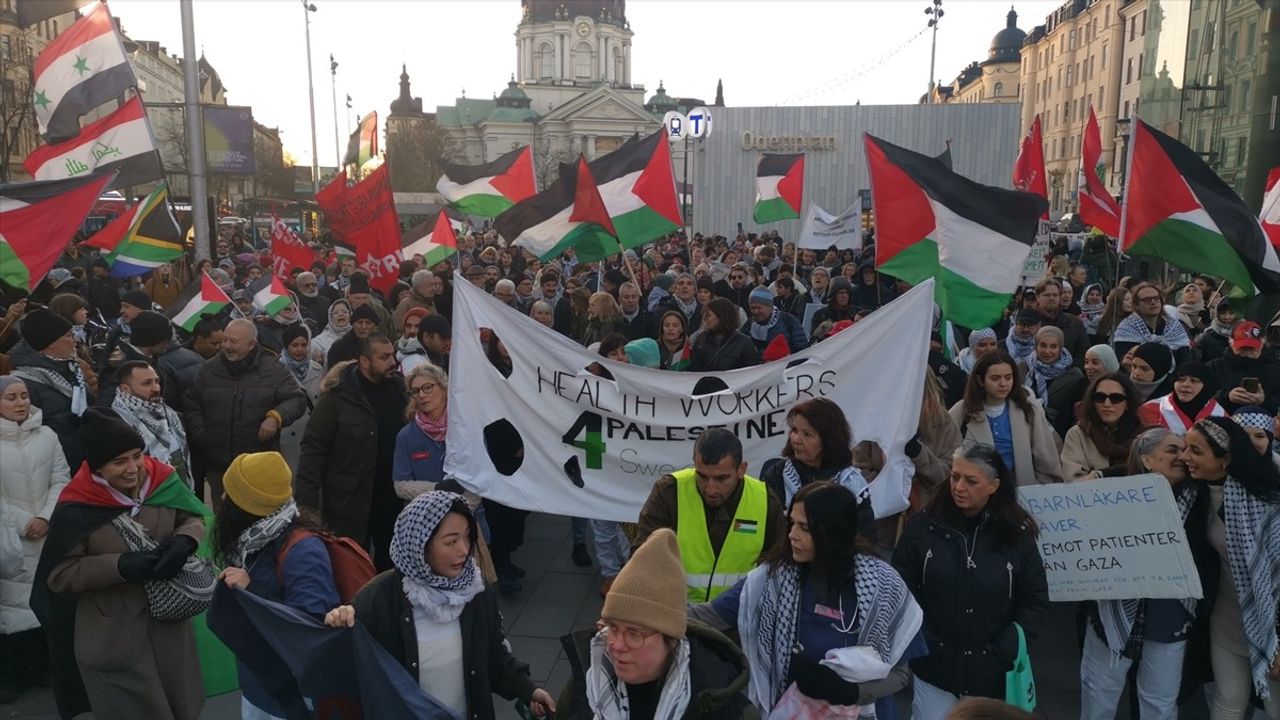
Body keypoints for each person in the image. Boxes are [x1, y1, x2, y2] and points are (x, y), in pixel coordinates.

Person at [688, 481, 924, 718]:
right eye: (791, 523)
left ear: (834, 532)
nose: (792, 535)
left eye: (805, 528)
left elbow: (901, 674)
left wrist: (852, 693)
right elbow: (705, 618)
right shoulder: (770, 581)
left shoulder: (883, 586)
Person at [34, 408, 208, 720]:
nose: (134, 469)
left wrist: (186, 541)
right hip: (113, 634)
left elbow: (192, 517)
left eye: (137, 455)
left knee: (181, 705)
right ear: (98, 467)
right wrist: (120, 566)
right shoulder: (77, 505)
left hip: (169, 626)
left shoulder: (163, 481)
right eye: (119, 462)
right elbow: (59, 575)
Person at [323, 492, 557, 719]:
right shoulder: (378, 599)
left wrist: (529, 690)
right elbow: (342, 668)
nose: (464, 550)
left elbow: (493, 656)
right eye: (451, 541)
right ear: (420, 544)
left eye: (467, 536)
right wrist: (338, 623)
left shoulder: (475, 591)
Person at [892, 442, 1049, 716]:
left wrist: (1008, 645)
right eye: (955, 476)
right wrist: (923, 641)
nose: (959, 487)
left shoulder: (1017, 534)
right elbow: (901, 587)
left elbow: (1034, 597)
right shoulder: (924, 525)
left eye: (971, 480)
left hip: (992, 672)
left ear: (994, 485)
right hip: (935, 668)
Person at [1078, 427, 1215, 720]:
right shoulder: (1113, 496)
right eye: (1173, 450)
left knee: (1160, 699)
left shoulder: (1199, 495)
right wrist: (1100, 476)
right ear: (1148, 459)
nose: (1183, 457)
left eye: (1187, 450)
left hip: (1171, 612)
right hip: (1114, 609)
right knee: (1100, 690)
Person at [556, 528, 751, 720]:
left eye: (634, 634)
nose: (615, 645)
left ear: (672, 639)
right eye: (612, 628)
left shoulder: (721, 707)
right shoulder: (587, 683)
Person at [209, 451, 340, 720]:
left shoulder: (304, 550)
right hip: (260, 685)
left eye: (229, 494)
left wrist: (253, 591)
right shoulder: (253, 540)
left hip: (290, 698)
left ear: (247, 506)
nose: (222, 499)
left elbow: (310, 626)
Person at [1180, 417, 1280, 717]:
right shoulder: (1194, 494)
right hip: (1225, 620)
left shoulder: (1268, 504)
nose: (1185, 458)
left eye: (1196, 451)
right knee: (1228, 700)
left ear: (1225, 459)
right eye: (1185, 448)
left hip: (1271, 626)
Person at [634, 428, 786, 602]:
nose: (710, 489)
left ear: (741, 469)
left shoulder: (765, 501)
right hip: (676, 614)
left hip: (736, 618)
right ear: (694, 463)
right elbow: (642, 559)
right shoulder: (669, 492)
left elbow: (777, 568)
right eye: (702, 476)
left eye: (721, 479)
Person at [296, 335, 407, 572]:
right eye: (384, 357)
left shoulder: (401, 389)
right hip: (349, 502)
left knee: (391, 567)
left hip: (393, 499)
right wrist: (307, 505)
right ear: (364, 361)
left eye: (393, 355)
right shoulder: (337, 398)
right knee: (350, 567)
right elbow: (313, 449)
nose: (393, 362)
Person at [184, 318, 308, 509]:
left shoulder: (273, 369)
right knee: (223, 519)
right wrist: (203, 434)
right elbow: (192, 404)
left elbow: (297, 399)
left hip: (258, 464)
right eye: (224, 340)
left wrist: (276, 417)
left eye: (233, 342)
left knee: (259, 516)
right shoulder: (208, 370)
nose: (226, 346)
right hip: (220, 465)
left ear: (251, 344)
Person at [0, 376, 70, 702]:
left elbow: (61, 479)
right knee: (10, 606)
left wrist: (45, 516)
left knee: (44, 603)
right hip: (9, 539)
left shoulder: (47, 435)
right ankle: (14, 675)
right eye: (11, 397)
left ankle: (45, 669)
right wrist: (24, 522)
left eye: (24, 396)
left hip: (46, 532)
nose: (20, 403)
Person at [759, 398, 875, 540]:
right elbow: (763, 531)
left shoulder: (852, 484)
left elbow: (865, 539)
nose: (796, 439)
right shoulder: (778, 474)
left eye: (807, 434)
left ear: (829, 439)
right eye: (794, 430)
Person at [949, 352, 1063, 485]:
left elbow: (1045, 458)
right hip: (978, 495)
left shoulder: (1029, 409)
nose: (1003, 384)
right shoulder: (963, 410)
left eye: (1008, 378)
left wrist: (1041, 488)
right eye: (995, 378)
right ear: (980, 380)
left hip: (1021, 492)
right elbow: (945, 452)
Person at [10, 309, 95, 469]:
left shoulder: (73, 369)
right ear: (49, 343)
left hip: (88, 462)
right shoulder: (24, 384)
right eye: (69, 335)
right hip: (59, 470)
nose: (75, 340)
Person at [110, 361, 191, 484]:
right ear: (125, 389)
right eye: (147, 383)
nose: (156, 388)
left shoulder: (169, 413)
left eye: (157, 381)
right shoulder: (118, 422)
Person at [1060, 372, 1142, 480]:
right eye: (1100, 397)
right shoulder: (1078, 434)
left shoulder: (1143, 435)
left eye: (1116, 398)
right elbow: (1073, 480)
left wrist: (1101, 474)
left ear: (1128, 403)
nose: (1107, 404)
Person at [1022, 326, 1087, 438]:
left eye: (1053, 346)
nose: (1047, 351)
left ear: (1060, 347)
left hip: (1061, 434)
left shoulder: (1074, 376)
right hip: (1026, 431)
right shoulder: (1023, 369)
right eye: (1043, 345)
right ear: (1036, 345)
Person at [276, 324, 324, 471]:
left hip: (312, 433)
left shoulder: (317, 369)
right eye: (294, 345)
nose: (299, 349)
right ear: (286, 346)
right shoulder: (276, 370)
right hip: (287, 435)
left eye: (303, 345)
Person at [1207, 321, 1280, 415]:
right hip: (1224, 420)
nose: (1247, 353)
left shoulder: (1275, 370)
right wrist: (1227, 397)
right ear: (1231, 343)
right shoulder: (1214, 367)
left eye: (1252, 349)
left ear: (1262, 344)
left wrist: (1264, 401)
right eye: (1242, 348)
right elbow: (1200, 399)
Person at [1137, 361, 1226, 434]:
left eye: (1194, 381)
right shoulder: (1151, 409)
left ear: (1206, 387)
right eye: (1180, 379)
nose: (1186, 384)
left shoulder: (1219, 414)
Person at [1113, 281, 1191, 363]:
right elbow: (1124, 361)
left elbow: (1185, 358)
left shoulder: (1174, 327)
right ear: (1136, 305)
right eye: (1147, 300)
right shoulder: (1127, 329)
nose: (1153, 302)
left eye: (1156, 298)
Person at [689, 298, 758, 372]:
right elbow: (693, 367)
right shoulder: (701, 338)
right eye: (704, 315)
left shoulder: (744, 343)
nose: (704, 318)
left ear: (721, 317)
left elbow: (751, 373)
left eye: (708, 315)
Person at [1032, 278, 1088, 368]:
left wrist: (1067, 371)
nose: (1051, 298)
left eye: (1055, 295)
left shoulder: (1074, 322)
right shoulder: (1029, 323)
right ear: (1037, 297)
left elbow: (1083, 352)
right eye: (1047, 295)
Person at [741, 287, 808, 355]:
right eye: (752, 308)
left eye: (759, 308)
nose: (755, 311)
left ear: (770, 307)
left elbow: (801, 350)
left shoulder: (789, 321)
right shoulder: (749, 325)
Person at [325, 303, 381, 368]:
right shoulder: (339, 348)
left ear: (375, 326)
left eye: (368, 323)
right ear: (353, 324)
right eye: (360, 322)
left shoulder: (382, 345)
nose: (363, 327)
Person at [310, 298, 351, 365]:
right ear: (330, 318)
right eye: (336, 313)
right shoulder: (318, 341)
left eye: (344, 312)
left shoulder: (357, 335)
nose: (340, 314)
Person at [1198, 298, 1239, 363]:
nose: (1227, 317)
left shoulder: (1244, 332)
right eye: (1223, 313)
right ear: (1217, 313)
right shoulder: (1208, 334)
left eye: (1231, 313)